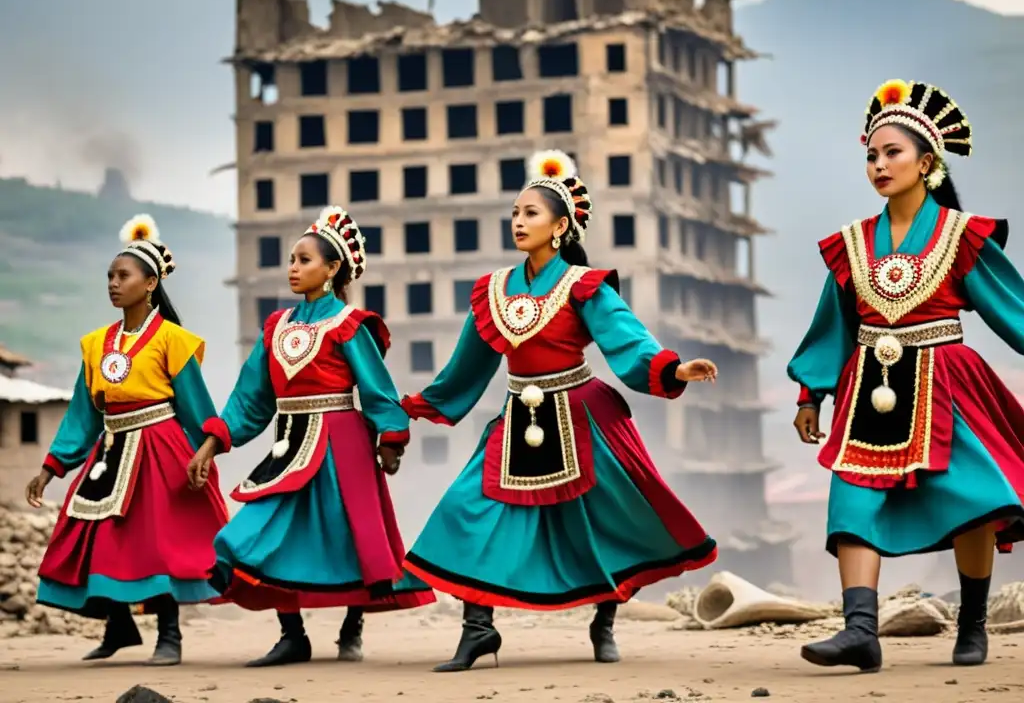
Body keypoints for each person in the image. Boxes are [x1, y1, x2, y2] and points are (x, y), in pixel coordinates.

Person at [399, 150, 720, 672]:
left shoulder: (585, 286)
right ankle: (478, 629)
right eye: (515, 213)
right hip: (517, 418)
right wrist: (421, 404)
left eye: (530, 213)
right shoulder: (494, 290)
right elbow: (470, 360)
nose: (518, 221)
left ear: (560, 227)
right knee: (468, 510)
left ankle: (604, 621)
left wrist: (672, 369)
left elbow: (626, 338)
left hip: (583, 416)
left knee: (608, 519)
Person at [789, 79, 1024, 672]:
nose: (879, 164)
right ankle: (860, 632)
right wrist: (811, 392)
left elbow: (1011, 309)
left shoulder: (961, 236)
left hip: (949, 381)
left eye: (892, 152)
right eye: (871, 155)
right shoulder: (851, 244)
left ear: (928, 162)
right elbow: (832, 326)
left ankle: (972, 625)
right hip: (869, 387)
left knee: (971, 499)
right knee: (851, 499)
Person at [187, 205, 435, 667]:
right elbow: (249, 399)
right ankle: (292, 634)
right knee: (256, 533)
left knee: (353, 535)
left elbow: (377, 389)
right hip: (288, 446)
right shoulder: (275, 327)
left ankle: (352, 625)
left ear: (333, 267)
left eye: (304, 260)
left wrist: (390, 441)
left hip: (343, 445)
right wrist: (212, 443)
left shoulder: (349, 325)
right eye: (291, 260)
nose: (293, 268)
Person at [24, 214, 228, 666]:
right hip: (110, 453)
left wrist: (205, 451)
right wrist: (52, 467)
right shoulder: (96, 344)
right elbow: (84, 412)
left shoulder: (172, 340)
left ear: (151, 282)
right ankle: (120, 626)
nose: (113, 284)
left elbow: (196, 405)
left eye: (123, 276)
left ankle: (170, 636)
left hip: (160, 451)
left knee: (156, 544)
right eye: (110, 277)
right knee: (96, 537)